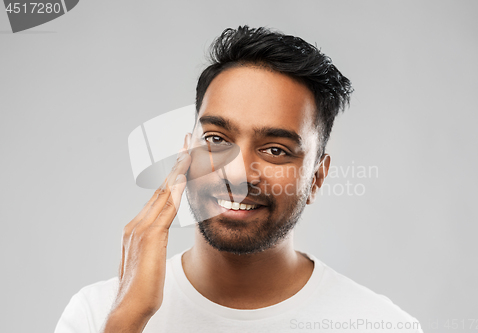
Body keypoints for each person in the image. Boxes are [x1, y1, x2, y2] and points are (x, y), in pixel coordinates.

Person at [55, 26, 423, 333]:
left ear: (317, 177)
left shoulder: (379, 324)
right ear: (186, 152)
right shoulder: (97, 314)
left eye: (275, 149)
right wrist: (129, 319)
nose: (237, 174)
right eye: (216, 139)